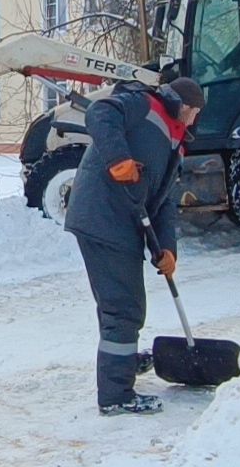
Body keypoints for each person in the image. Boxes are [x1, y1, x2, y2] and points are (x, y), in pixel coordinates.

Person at [63, 76, 205, 416]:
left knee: (121, 302)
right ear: (185, 107)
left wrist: (167, 249)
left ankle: (122, 359)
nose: (196, 120)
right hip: (103, 216)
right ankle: (116, 396)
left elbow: (165, 201)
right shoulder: (144, 105)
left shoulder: (176, 142)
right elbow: (99, 113)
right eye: (196, 112)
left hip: (120, 223)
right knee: (123, 307)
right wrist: (118, 159)